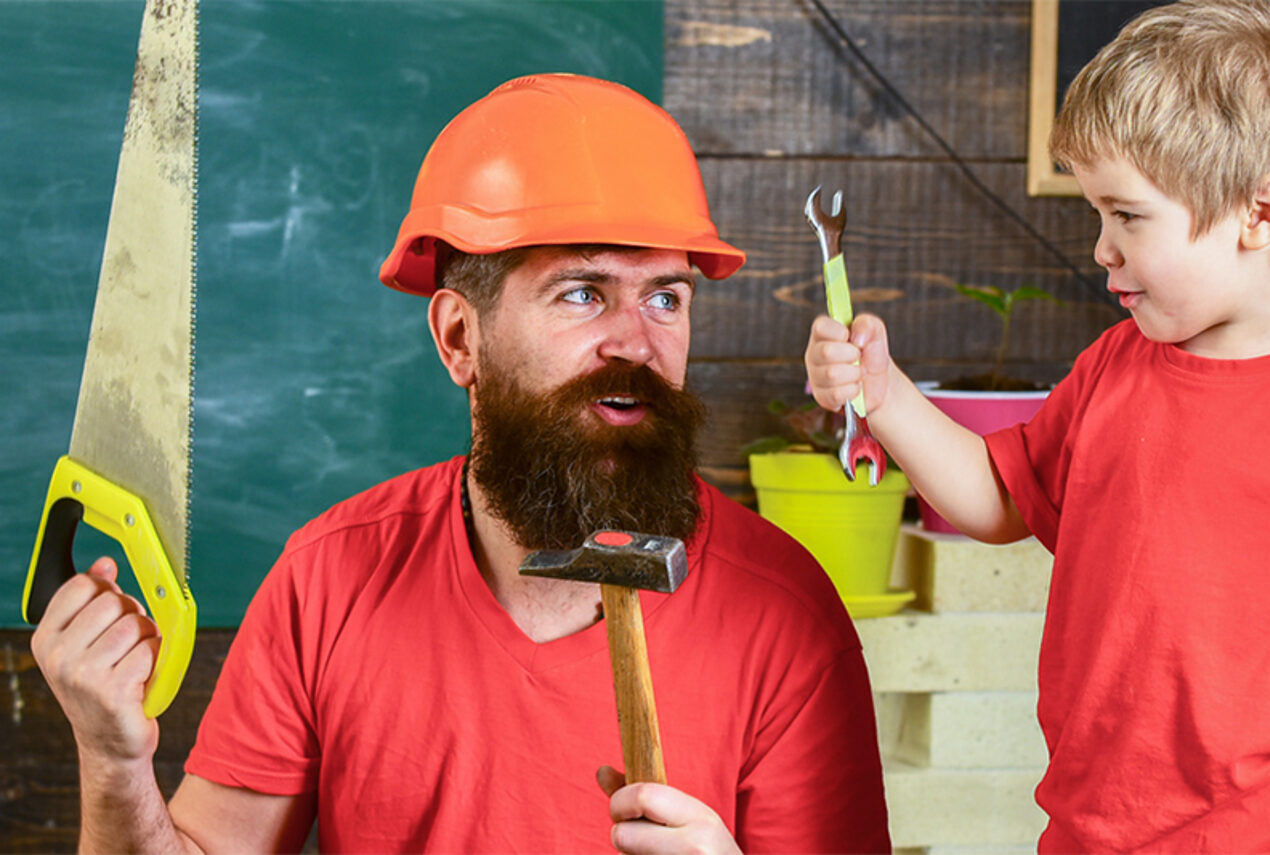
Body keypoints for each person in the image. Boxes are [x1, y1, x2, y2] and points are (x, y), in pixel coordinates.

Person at [31, 73, 890, 854]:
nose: (638, 340)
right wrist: (114, 762)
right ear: (458, 337)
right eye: (583, 292)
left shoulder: (785, 617)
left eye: (666, 296)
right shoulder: (328, 580)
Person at [806, 1, 1270, 851]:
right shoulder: (1116, 365)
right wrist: (884, 396)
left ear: (1261, 215)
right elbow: (1000, 498)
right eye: (1097, 215)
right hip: (1089, 832)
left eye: (1128, 216)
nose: (1101, 247)